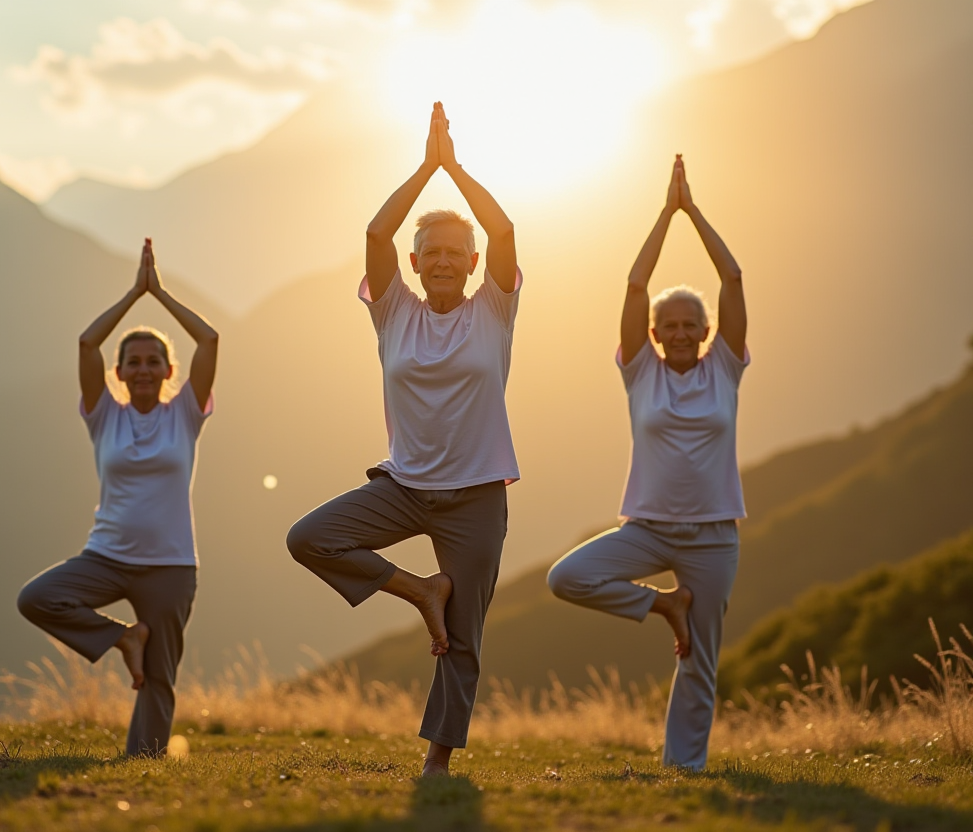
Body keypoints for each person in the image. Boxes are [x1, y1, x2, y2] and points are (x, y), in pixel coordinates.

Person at [287, 102, 521, 777]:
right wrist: (427, 169)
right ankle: (421, 591)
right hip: (403, 487)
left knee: (466, 637)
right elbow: (375, 231)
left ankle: (438, 762)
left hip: (476, 496)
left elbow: (505, 227)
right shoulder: (392, 310)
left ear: (473, 262)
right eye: (432, 254)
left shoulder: (495, 309)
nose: (444, 261)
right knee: (310, 538)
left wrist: (458, 168)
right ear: (415, 265)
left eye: (456, 253)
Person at [546, 156, 748, 772]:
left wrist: (695, 212)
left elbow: (734, 277)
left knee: (700, 662)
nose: (682, 332)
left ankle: (683, 769)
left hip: (713, 537)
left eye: (692, 324)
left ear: (707, 330)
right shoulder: (640, 373)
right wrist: (666, 214)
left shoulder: (725, 369)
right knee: (568, 577)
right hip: (648, 528)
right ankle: (665, 605)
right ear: (654, 335)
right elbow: (635, 287)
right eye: (671, 326)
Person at [17, 238, 218, 757]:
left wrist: (162, 294)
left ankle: (142, 765)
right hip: (106, 557)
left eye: (155, 361)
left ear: (169, 372)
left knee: (159, 678)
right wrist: (134, 294)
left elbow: (210, 338)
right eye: (134, 362)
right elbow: (87, 344)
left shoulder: (186, 414)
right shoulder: (103, 413)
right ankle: (123, 638)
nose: (145, 369)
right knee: (37, 598)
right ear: (120, 372)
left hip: (172, 567)